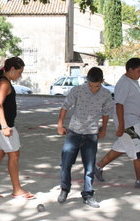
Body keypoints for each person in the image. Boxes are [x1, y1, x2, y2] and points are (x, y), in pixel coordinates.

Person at [94, 58, 140, 190]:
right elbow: (119, 105)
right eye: (139, 71)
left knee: (121, 147)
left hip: (133, 120)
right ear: (130, 70)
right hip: (128, 123)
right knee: (139, 150)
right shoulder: (123, 83)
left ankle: (97, 167)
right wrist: (121, 126)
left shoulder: (133, 81)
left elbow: (139, 97)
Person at [0, 57, 35, 199]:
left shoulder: (4, 81)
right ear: (11, 70)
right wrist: (5, 126)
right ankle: (17, 189)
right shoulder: (4, 83)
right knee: (14, 155)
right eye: (19, 72)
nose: (20, 75)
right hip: (2, 127)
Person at [57, 67, 112, 208]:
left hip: (91, 135)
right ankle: (64, 189)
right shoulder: (77, 90)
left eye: (97, 86)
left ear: (102, 81)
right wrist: (60, 125)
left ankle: (88, 194)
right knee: (66, 163)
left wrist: (104, 129)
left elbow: (106, 113)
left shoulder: (106, 94)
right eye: (91, 85)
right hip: (73, 133)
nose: (94, 89)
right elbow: (65, 107)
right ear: (87, 81)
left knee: (89, 168)